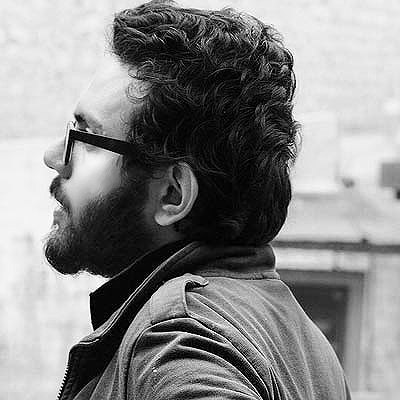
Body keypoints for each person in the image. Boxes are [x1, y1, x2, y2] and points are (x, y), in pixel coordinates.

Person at [43, 1, 351, 399]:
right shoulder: (305, 342)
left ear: (173, 194)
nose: (53, 157)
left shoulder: (178, 337)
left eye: (88, 138)